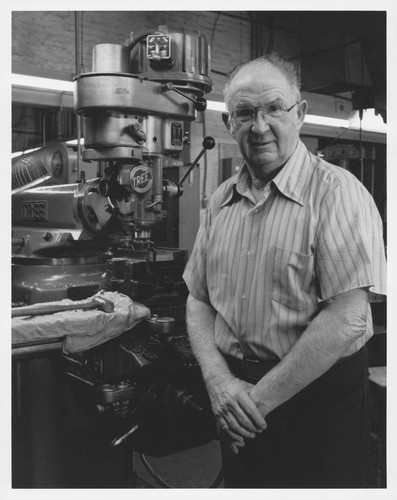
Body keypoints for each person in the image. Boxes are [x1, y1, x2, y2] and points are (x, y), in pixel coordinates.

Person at [182, 53, 386, 488]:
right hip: (237, 397)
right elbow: (198, 300)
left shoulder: (337, 193)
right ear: (228, 122)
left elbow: (347, 318)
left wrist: (253, 403)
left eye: (274, 108)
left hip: (317, 406)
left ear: (301, 114)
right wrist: (220, 384)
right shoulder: (220, 202)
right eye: (245, 113)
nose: (259, 127)